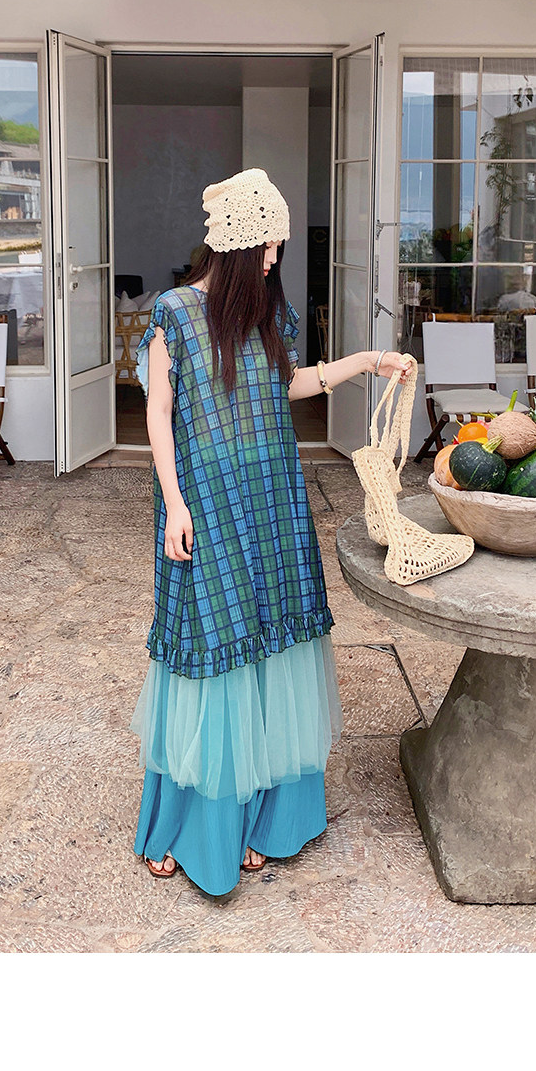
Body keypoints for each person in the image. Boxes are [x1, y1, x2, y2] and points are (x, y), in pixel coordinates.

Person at [131, 168, 414, 896]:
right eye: (268, 246)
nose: (274, 259)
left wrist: (368, 362)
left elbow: (288, 383)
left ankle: (262, 819)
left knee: (267, 642)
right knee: (212, 647)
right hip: (205, 505)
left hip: (273, 503)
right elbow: (159, 413)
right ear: (238, 245)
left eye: (277, 247)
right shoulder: (174, 313)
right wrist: (175, 504)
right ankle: (194, 826)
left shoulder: (264, 315)